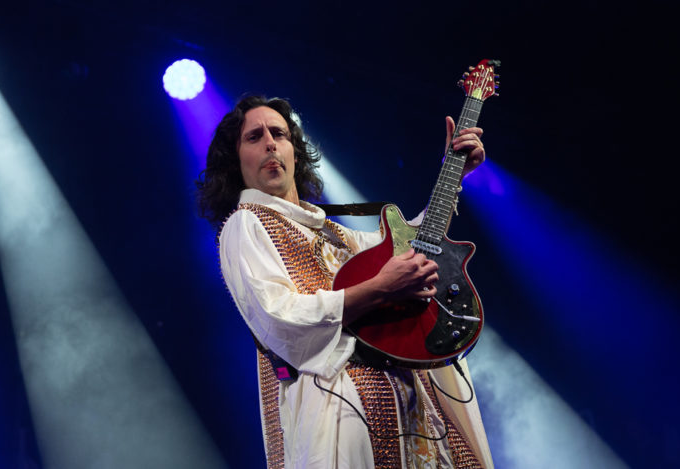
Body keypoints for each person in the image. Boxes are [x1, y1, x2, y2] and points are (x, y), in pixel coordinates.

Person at [196, 95, 493, 468]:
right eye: (254, 137)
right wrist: (380, 288)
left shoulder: (336, 232)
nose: (270, 143)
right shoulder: (246, 222)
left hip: (412, 402)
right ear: (234, 161)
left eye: (279, 134)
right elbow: (279, 315)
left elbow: (415, 250)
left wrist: (454, 174)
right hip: (343, 410)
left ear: (295, 151)